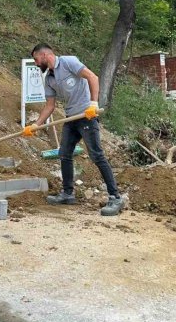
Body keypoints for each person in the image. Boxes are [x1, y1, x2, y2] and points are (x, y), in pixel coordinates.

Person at [24, 43, 125, 217]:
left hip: (87, 115)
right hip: (71, 119)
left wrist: (93, 103)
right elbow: (50, 106)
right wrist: (36, 125)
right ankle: (68, 193)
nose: (35, 62)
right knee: (64, 154)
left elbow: (92, 77)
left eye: (36, 58)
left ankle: (115, 197)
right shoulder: (49, 79)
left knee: (96, 155)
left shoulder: (68, 62)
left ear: (45, 55)